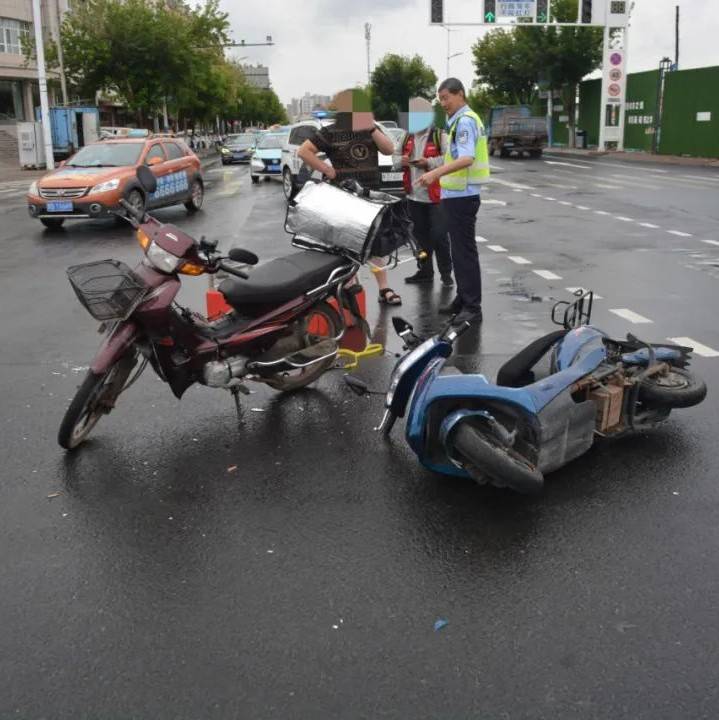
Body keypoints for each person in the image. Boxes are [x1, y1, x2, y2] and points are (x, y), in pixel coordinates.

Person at [297, 89, 402, 306]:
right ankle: (350, 283)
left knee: (375, 243)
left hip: (370, 195)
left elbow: (389, 149)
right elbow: (304, 151)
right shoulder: (331, 132)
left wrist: (371, 126)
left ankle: (384, 289)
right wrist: (327, 169)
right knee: (347, 241)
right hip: (344, 196)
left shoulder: (371, 129)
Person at [416, 78, 490, 325]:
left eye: (447, 97)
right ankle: (463, 297)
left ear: (460, 95)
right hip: (456, 195)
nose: (443, 103)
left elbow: (467, 158)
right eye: (441, 99)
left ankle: (472, 306)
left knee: (464, 252)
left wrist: (435, 173)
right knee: (459, 252)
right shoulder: (457, 121)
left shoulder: (466, 121)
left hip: (463, 196)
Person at [395, 105, 453, 287]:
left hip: (436, 197)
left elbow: (450, 159)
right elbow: (394, 158)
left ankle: (446, 275)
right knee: (420, 238)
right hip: (414, 197)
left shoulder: (439, 135)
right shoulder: (406, 137)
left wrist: (428, 162)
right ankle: (425, 272)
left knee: (439, 236)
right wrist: (400, 161)